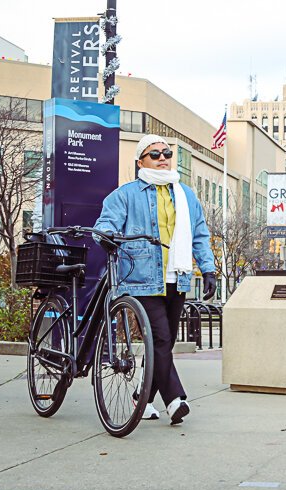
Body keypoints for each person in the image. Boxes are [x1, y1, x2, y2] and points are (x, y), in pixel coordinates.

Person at [94, 134, 216, 425]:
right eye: (154, 154)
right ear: (140, 161)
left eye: (166, 153)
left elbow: (199, 234)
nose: (162, 158)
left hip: (178, 277)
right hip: (140, 277)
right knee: (160, 338)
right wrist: (108, 235)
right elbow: (105, 225)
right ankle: (175, 400)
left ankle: (141, 398)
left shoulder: (185, 195)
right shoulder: (125, 195)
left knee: (164, 343)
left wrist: (208, 269)